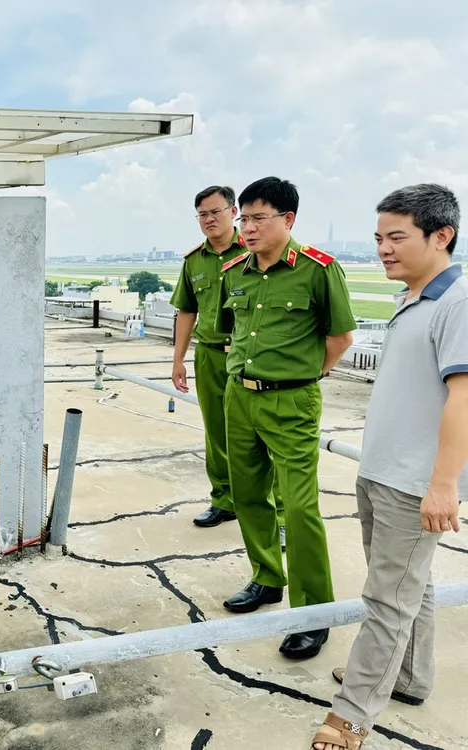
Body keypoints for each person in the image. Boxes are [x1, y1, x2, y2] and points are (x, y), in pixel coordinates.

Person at [312, 184, 468, 750]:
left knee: (387, 600)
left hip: (413, 481)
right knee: (409, 587)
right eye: (379, 237)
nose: (383, 248)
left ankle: (352, 715)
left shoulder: (458, 302)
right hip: (382, 470)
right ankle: (406, 675)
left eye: (397, 237)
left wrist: (444, 484)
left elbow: (464, 398)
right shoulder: (412, 298)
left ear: (441, 235)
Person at [216, 176, 356, 659]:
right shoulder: (233, 270)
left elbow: (340, 340)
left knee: (298, 508)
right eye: (244, 219)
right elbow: (228, 333)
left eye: (258, 219)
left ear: (288, 219)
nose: (248, 228)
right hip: (240, 397)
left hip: (292, 402)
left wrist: (297, 378)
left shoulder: (318, 269)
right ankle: (266, 577)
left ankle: (314, 614)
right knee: (250, 494)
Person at [171, 186, 285, 545]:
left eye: (215, 212)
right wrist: (178, 359)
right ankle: (224, 500)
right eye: (202, 214)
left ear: (233, 212)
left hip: (251, 359)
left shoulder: (254, 251)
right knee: (216, 432)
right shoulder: (194, 261)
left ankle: (280, 514)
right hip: (209, 354)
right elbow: (186, 310)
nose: (209, 219)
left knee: (265, 437)